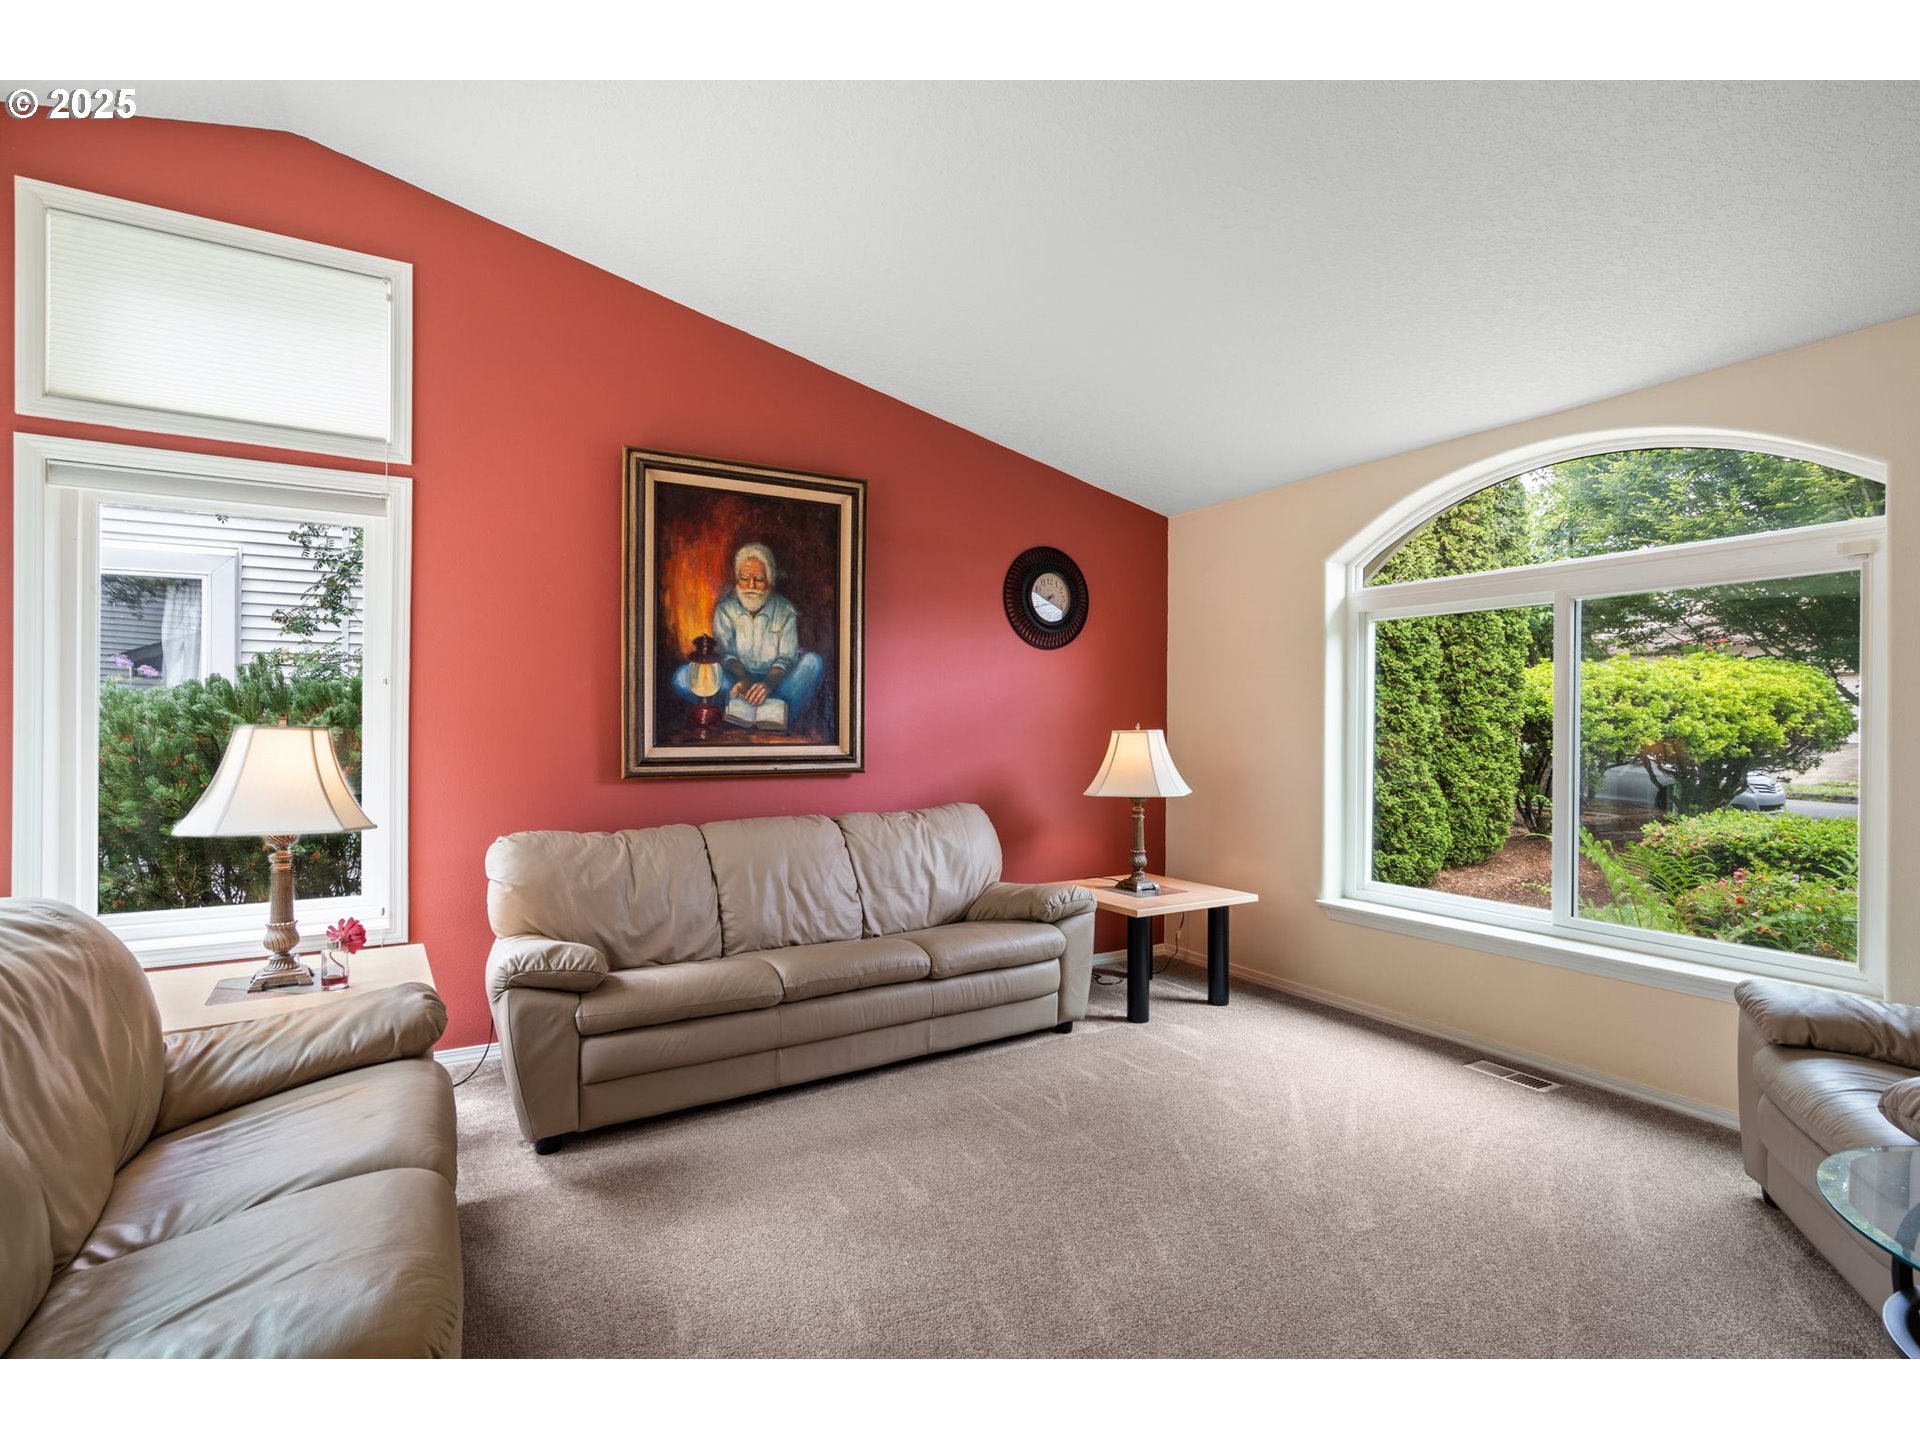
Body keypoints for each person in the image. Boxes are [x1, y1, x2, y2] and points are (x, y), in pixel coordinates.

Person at [672, 542, 823, 730]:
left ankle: (769, 714)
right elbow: (726, 654)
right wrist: (744, 680)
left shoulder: (785, 610)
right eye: (744, 578)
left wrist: (767, 685)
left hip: (776, 682)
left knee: (813, 663)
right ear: (737, 579)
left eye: (758, 579)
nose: (751, 585)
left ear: (769, 580)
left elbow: (786, 658)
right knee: (682, 677)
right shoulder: (725, 608)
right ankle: (757, 710)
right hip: (736, 679)